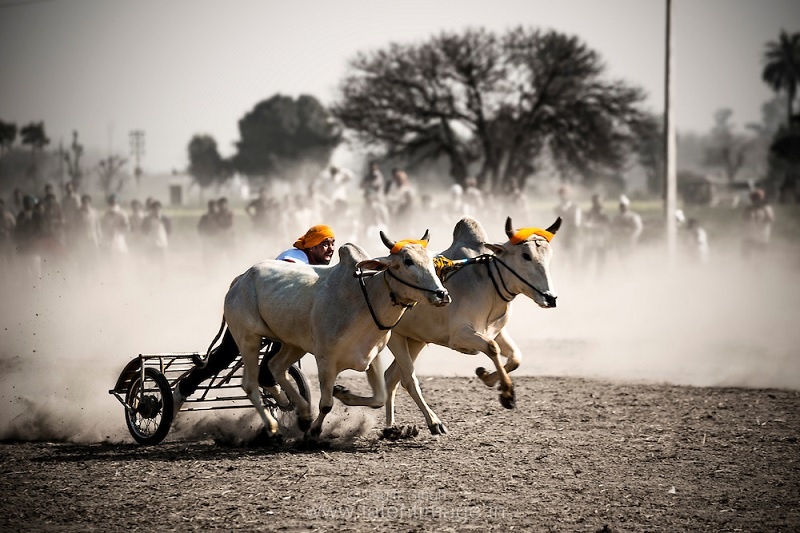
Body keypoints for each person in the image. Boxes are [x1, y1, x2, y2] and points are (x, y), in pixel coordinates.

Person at [173, 225, 337, 413]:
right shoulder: (294, 258)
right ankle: (182, 390)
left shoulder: (319, 266)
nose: (331, 248)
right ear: (311, 247)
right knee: (224, 357)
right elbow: (291, 277)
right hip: (250, 310)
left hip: (275, 318)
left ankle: (267, 378)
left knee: (290, 343)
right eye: (325, 244)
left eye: (332, 243)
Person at [741, 188, 774, 258]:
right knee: (745, 256)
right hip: (750, 236)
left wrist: (761, 214)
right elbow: (744, 218)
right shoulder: (749, 208)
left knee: (761, 257)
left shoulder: (766, 208)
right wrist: (748, 213)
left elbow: (770, 219)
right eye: (753, 198)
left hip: (762, 237)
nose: (755, 200)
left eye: (757, 198)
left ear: (762, 199)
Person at [583, 193, 610, 276]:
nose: (597, 203)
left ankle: (599, 277)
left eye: (598, 201)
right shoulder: (590, 213)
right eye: (595, 201)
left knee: (600, 260)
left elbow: (606, 226)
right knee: (588, 259)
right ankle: (585, 275)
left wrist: (592, 226)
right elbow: (584, 225)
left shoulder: (603, 213)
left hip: (601, 239)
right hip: (591, 239)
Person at [611, 194, 643, 259]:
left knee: (630, 258)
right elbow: (613, 229)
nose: (622, 207)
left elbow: (638, 229)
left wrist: (632, 238)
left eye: (624, 206)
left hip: (630, 242)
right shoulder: (616, 218)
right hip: (620, 243)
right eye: (621, 206)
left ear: (628, 206)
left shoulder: (634, 216)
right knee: (622, 259)